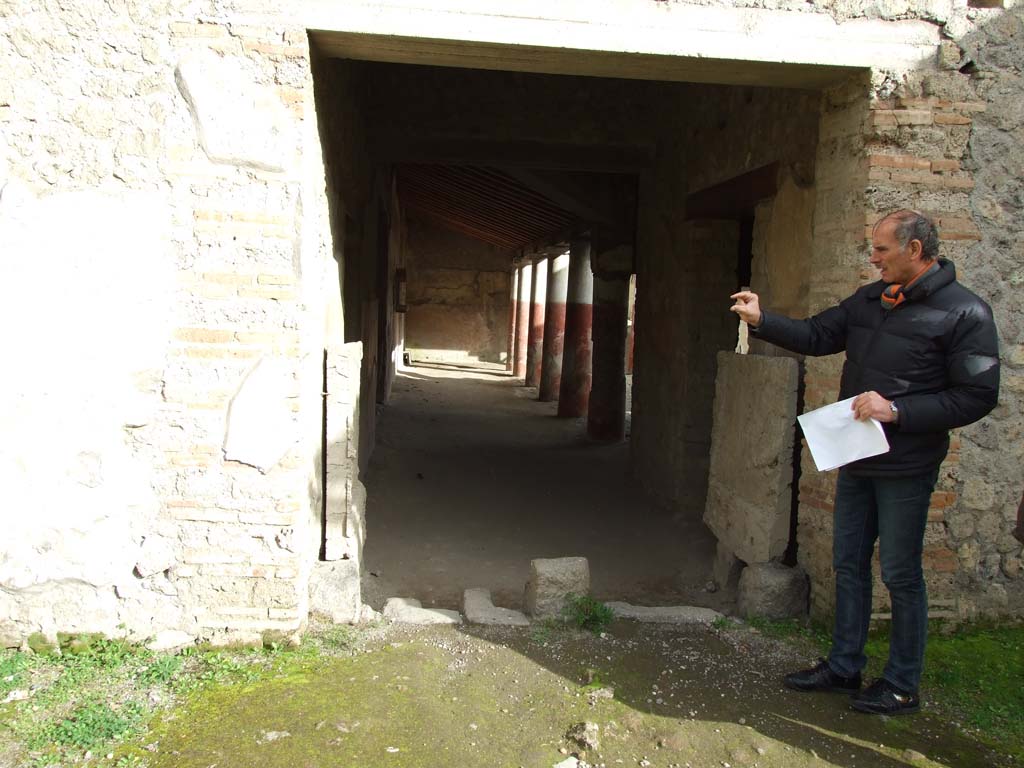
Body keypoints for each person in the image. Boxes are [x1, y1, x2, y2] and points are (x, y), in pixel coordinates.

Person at [729, 210, 1000, 715]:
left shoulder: (966, 313)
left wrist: (896, 411)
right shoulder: (871, 300)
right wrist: (763, 320)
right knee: (848, 564)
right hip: (857, 457)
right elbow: (816, 335)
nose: (872, 259)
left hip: (907, 466)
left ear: (914, 250)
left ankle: (901, 684)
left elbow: (977, 397)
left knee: (900, 573)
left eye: (880, 250)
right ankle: (844, 666)